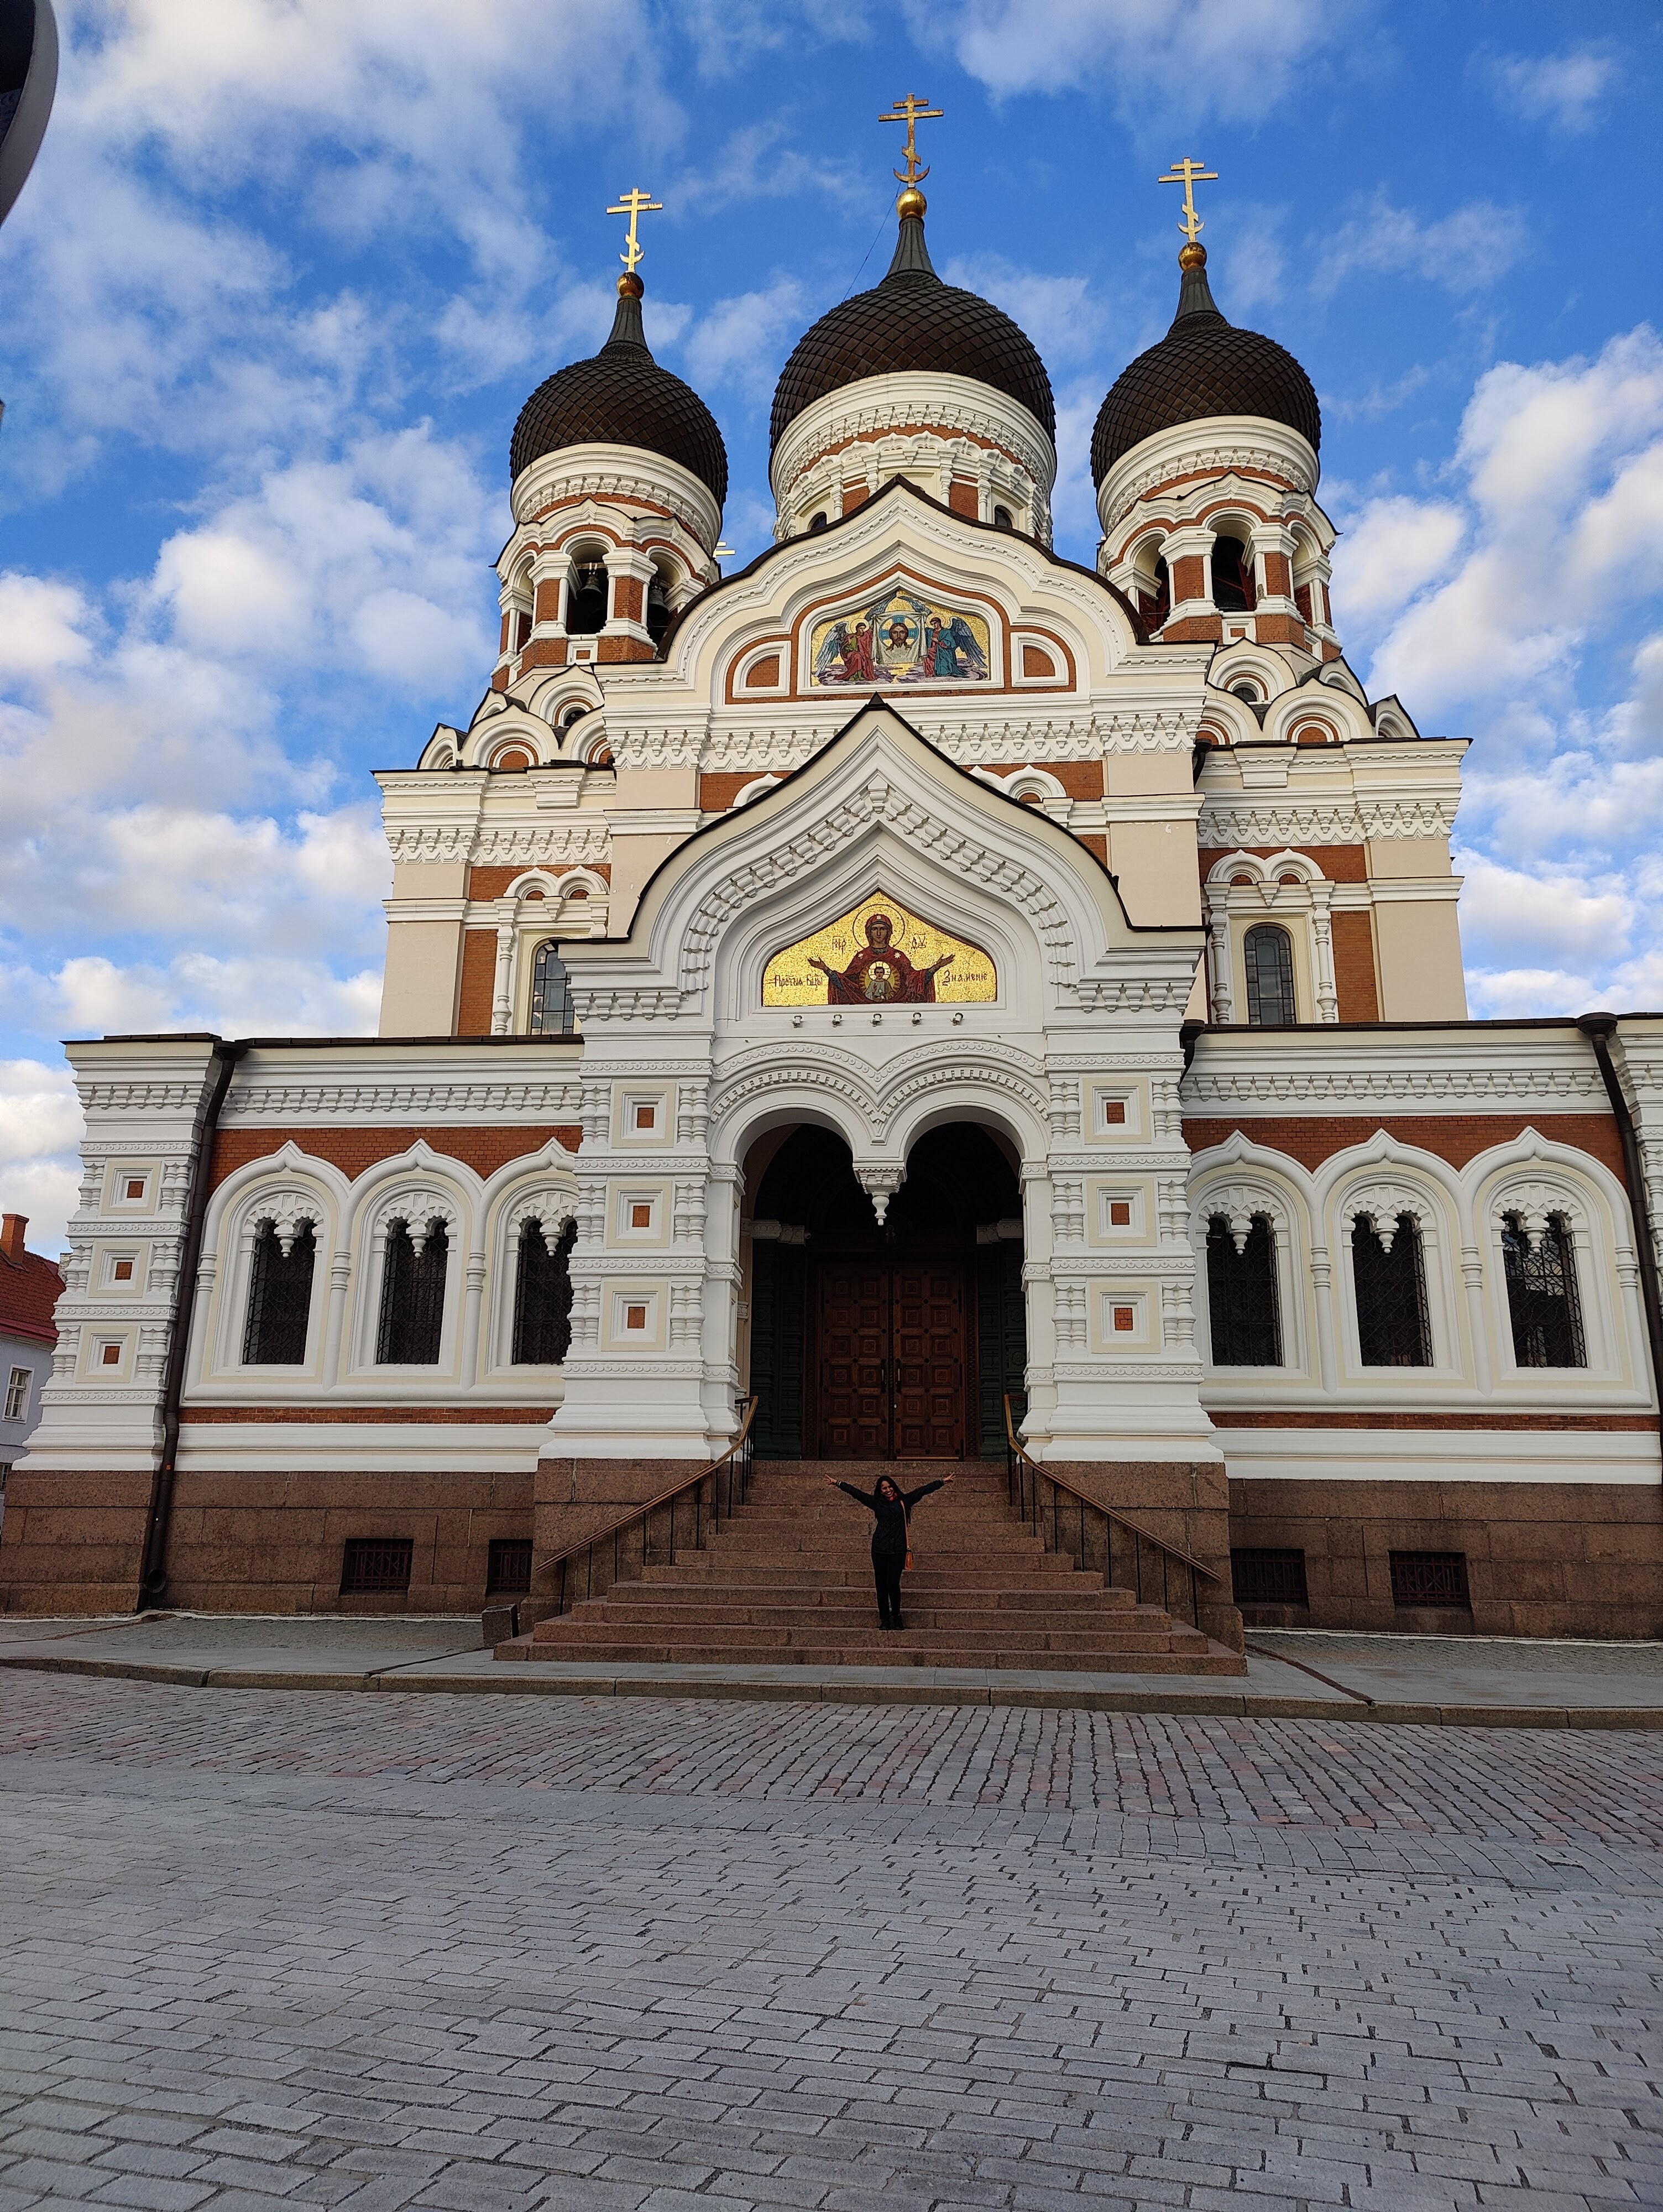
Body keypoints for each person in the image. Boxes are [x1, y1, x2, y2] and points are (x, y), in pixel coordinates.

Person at [825, 1469, 954, 1630]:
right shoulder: (877, 1503)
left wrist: (942, 1482)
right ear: (880, 1491)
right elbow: (856, 1493)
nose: (888, 1490)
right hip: (879, 1549)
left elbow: (923, 1491)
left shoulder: (904, 1501)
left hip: (898, 1550)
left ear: (894, 1486)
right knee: (881, 1585)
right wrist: (838, 1483)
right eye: (884, 1488)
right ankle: (884, 1618)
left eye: (889, 1487)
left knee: (893, 1583)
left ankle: (897, 1616)